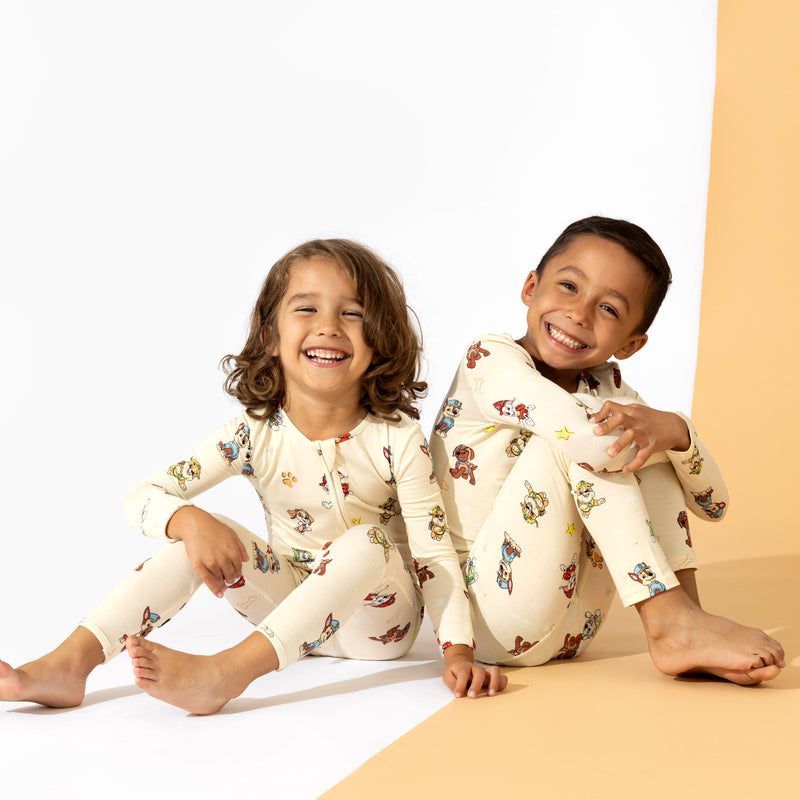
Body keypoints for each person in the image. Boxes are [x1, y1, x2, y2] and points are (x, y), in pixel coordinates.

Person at [0, 239, 506, 714]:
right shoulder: (252, 433)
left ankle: (227, 672)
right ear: (270, 337)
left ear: (380, 341)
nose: (329, 326)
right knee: (196, 534)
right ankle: (70, 663)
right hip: (284, 608)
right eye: (306, 309)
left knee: (370, 542)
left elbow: (433, 554)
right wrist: (190, 521)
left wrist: (458, 652)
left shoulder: (398, 437)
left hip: (378, 626)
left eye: (352, 313)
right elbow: (141, 495)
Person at [430, 216, 785, 684]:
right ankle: (672, 623)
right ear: (531, 287)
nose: (579, 313)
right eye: (569, 286)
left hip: (576, 625)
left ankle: (688, 620)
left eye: (609, 309)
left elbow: (712, 505)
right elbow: (591, 446)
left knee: (642, 438)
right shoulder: (489, 358)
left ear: (631, 344)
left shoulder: (610, 392)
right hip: (482, 619)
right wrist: (651, 434)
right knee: (599, 437)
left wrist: (677, 432)